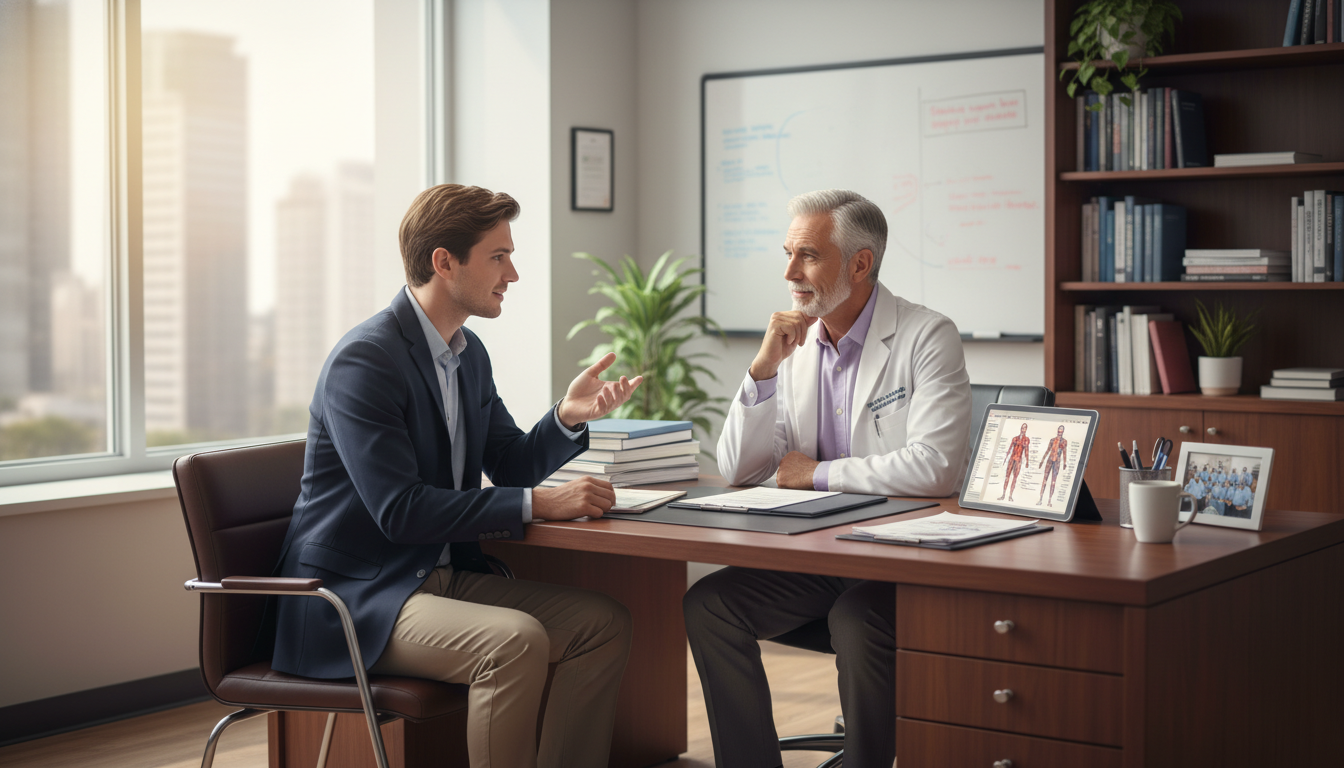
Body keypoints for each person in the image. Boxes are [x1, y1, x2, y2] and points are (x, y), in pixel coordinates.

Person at [271, 185, 641, 768]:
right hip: (357, 599)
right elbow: (402, 511)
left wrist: (567, 417)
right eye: (498, 256)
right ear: (445, 262)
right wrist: (541, 505)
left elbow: (511, 462)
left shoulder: (468, 355)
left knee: (601, 624)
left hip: (435, 577)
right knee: (514, 644)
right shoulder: (365, 361)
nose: (513, 274)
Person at [687, 189, 971, 768]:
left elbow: (936, 466)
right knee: (709, 604)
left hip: (902, 566)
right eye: (788, 253)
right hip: (820, 560)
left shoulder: (926, 336)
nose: (790, 272)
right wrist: (763, 371)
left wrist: (817, 474)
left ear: (860, 264)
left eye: (808, 256)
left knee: (857, 616)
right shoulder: (797, 346)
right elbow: (739, 468)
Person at [1036, 425, 1068, 507]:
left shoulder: (1064, 441)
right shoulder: (1052, 440)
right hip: (1049, 460)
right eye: (1059, 430)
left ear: (1063, 431)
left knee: (1053, 482)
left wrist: (1065, 463)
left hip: (1057, 462)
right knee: (1044, 480)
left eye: (1061, 430)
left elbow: (1064, 452)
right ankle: (1040, 499)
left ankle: (1049, 500)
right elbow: (1047, 450)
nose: (1060, 431)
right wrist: (1042, 460)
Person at [999, 423, 1031, 501]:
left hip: (1018, 460)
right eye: (1022, 428)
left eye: (1024, 428)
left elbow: (1026, 450)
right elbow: (1010, 448)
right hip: (1011, 459)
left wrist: (1027, 461)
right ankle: (1003, 495)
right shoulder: (1015, 438)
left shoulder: (1026, 439)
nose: (1023, 430)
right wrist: (1005, 458)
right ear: (1020, 429)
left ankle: (1010, 496)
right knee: (1007, 477)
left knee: (1015, 478)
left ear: (1026, 429)